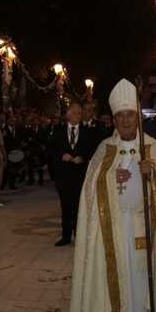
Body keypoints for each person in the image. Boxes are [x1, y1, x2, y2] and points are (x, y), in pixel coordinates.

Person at [69, 79, 156, 312]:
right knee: (111, 276)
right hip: (113, 229)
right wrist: (109, 176)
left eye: (130, 114)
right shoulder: (105, 148)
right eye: (120, 116)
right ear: (114, 119)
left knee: (140, 278)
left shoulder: (151, 146)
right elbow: (90, 187)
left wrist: (152, 175)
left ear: (137, 117)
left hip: (143, 226)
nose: (126, 120)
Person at [49, 102, 92, 246]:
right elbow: (51, 149)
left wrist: (83, 158)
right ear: (68, 115)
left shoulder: (87, 131)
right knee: (66, 206)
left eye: (80, 113)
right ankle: (66, 236)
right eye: (74, 113)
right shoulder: (58, 130)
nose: (78, 116)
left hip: (80, 175)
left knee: (79, 206)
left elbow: (92, 150)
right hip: (63, 175)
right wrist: (62, 155)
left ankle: (79, 235)